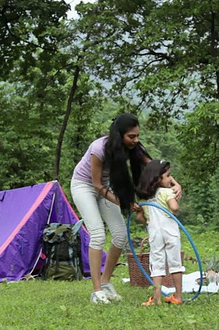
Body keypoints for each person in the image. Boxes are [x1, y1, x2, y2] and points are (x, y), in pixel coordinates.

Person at [70, 113, 182, 304]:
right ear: (119, 135)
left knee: (120, 235)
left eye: (137, 136)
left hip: (105, 188)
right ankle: (96, 291)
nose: (135, 140)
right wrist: (125, 203)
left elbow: (156, 167)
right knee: (97, 234)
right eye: (131, 136)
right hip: (85, 186)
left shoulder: (133, 147)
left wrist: (174, 183)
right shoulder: (99, 148)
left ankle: (105, 283)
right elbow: (97, 185)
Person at [135, 160, 184, 306]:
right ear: (158, 179)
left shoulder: (146, 199)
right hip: (171, 233)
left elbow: (141, 218)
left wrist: (139, 210)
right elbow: (174, 208)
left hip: (155, 234)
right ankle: (178, 296)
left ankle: (156, 299)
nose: (170, 179)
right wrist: (174, 195)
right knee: (175, 263)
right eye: (168, 176)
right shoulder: (166, 192)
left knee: (156, 264)